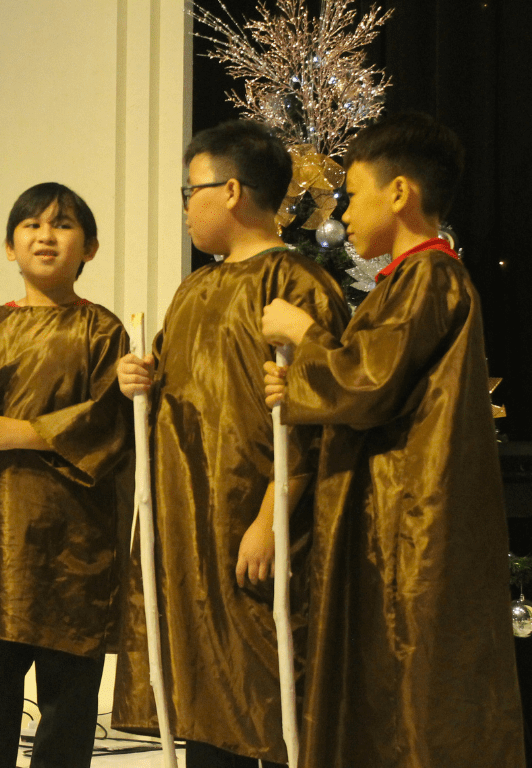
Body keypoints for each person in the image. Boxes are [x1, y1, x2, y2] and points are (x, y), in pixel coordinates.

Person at [261, 111, 524, 767]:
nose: (344, 217)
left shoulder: (431, 277)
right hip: (390, 518)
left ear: (400, 192)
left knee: (413, 694)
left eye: (353, 194)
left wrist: (305, 339)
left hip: (413, 527)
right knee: (387, 691)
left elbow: (368, 382)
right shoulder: (405, 283)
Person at [110, 120, 350, 768]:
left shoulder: (298, 286)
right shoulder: (194, 288)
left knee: (268, 710)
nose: (186, 206)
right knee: (206, 716)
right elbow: (179, 386)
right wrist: (141, 378)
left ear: (233, 190)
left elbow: (324, 412)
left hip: (257, 533)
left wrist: (274, 512)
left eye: (192, 189)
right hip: (193, 537)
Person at [0, 182, 132, 768]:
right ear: (10, 247)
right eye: (31, 225)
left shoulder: (102, 331)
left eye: (63, 225)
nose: (45, 235)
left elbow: (111, 422)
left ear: (89, 248)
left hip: (71, 549)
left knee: (67, 702)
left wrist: (23, 432)